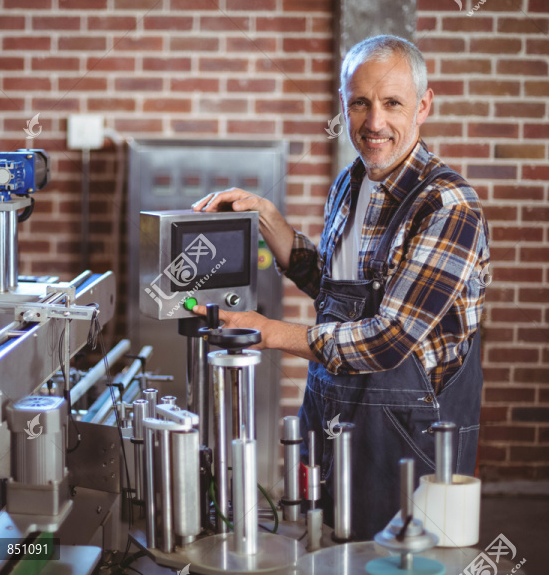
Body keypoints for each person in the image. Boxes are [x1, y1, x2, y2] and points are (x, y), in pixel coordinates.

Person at [191, 34, 490, 541]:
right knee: (324, 544)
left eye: (392, 103)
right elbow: (331, 288)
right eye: (360, 103)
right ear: (343, 105)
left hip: (409, 433)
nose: (374, 123)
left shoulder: (447, 204)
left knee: (401, 562)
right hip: (333, 410)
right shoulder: (351, 183)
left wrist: (268, 332)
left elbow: (390, 336)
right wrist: (266, 216)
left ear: (423, 105)